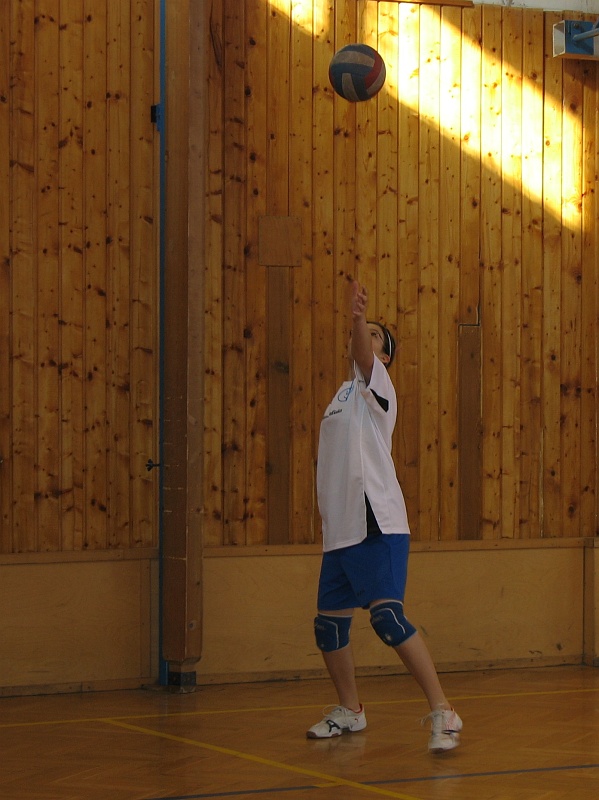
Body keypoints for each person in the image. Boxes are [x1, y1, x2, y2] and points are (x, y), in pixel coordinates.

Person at [306, 280, 462, 754]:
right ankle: (350, 710)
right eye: (364, 332)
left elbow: (362, 352)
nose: (365, 338)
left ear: (385, 356)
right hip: (342, 528)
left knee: (388, 619)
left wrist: (358, 318)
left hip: (378, 522)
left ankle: (444, 712)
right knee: (328, 627)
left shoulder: (379, 387)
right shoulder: (341, 395)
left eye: (376, 335)